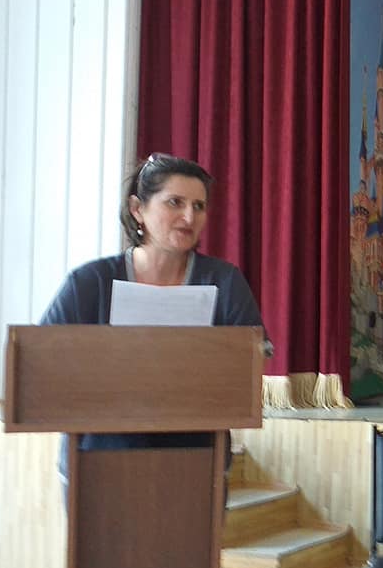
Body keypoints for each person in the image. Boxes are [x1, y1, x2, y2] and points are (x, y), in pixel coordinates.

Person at [41, 153, 268, 494]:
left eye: (199, 206)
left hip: (196, 459)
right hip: (98, 460)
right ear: (138, 209)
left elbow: (253, 359)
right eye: (175, 202)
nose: (189, 216)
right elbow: (43, 362)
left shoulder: (224, 281)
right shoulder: (89, 282)